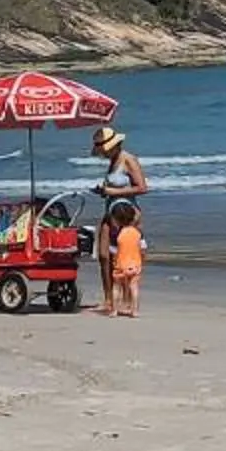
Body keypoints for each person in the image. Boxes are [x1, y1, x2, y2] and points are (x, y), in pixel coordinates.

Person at [91, 125, 148, 314]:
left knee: (124, 257)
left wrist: (113, 191)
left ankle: (127, 299)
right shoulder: (113, 161)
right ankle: (109, 299)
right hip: (111, 212)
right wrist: (104, 191)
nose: (104, 154)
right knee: (103, 256)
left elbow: (142, 187)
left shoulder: (128, 159)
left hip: (127, 215)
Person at [111, 203, 145, 318]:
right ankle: (134, 311)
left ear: (116, 220)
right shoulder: (138, 233)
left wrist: (114, 259)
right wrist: (143, 259)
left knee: (116, 287)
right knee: (134, 287)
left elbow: (113, 250)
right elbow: (143, 248)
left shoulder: (117, 234)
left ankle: (114, 310)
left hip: (120, 264)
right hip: (135, 264)